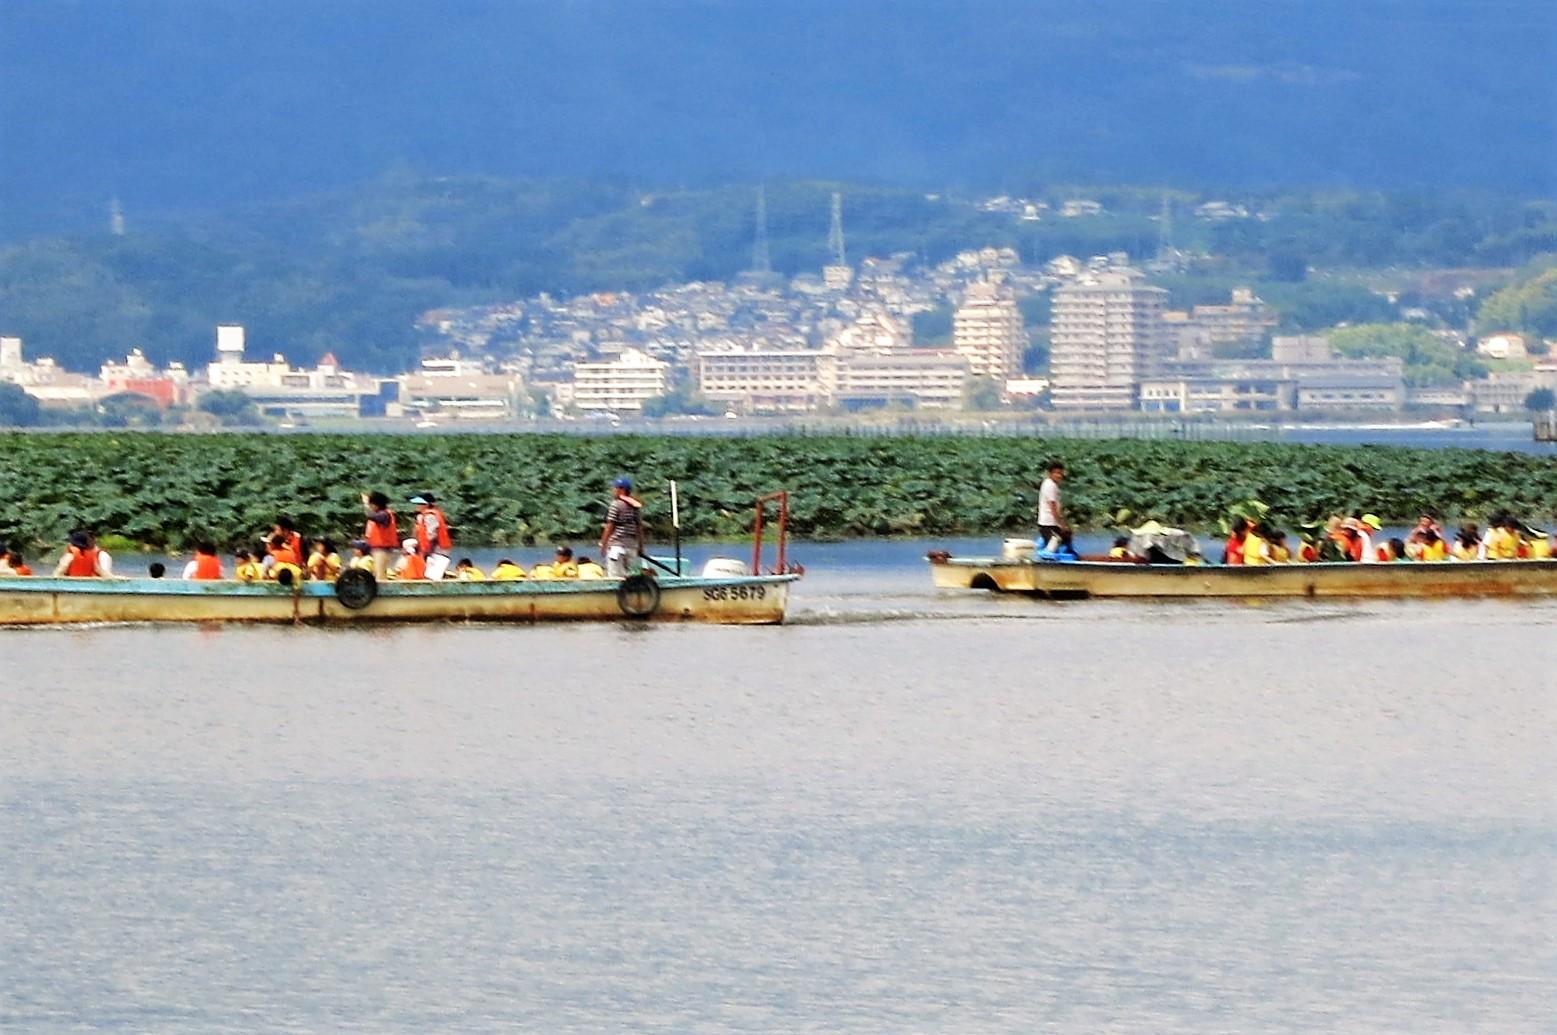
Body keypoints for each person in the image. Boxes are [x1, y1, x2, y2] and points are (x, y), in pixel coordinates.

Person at [599, 476, 644, 578]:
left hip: (616, 547)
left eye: (615, 488)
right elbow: (639, 528)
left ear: (621, 490)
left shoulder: (616, 504)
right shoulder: (635, 506)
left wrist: (603, 544)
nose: (613, 490)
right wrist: (640, 546)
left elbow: (610, 526)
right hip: (632, 547)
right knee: (630, 578)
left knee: (615, 577)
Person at [410, 494, 453, 581]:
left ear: (426, 504)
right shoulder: (424, 515)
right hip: (430, 549)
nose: (417, 506)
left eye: (419, 504)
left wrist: (425, 550)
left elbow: (431, 535)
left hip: (437, 549)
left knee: (433, 575)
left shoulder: (430, 516)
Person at [361, 491, 399, 578]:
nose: (370, 507)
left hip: (382, 549)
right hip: (378, 548)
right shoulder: (383, 513)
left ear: (376, 504)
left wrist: (365, 504)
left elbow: (370, 515)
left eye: (371, 504)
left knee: (380, 575)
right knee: (378, 573)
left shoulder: (384, 514)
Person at [1035, 461, 1071, 552]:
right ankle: (1050, 562)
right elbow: (1053, 507)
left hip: (1051, 523)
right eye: (1056, 473)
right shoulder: (1050, 485)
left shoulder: (1051, 484)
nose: (1059, 476)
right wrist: (1060, 524)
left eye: (1060, 473)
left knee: (1067, 537)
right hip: (1048, 524)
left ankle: (1067, 558)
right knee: (1055, 544)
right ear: (1050, 473)